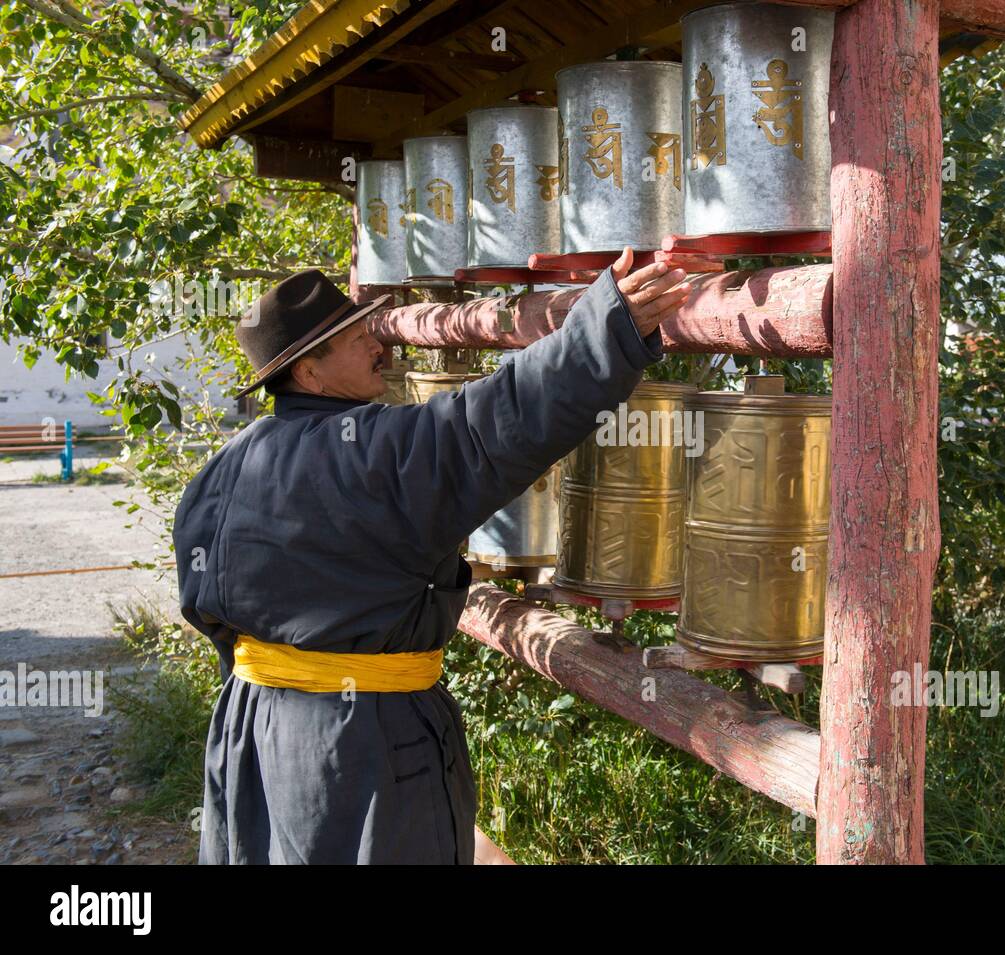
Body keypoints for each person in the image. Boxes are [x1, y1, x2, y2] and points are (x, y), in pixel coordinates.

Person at [174, 248, 690, 864]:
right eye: (356, 337)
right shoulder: (371, 453)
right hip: (362, 741)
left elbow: (203, 605)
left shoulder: (221, 470)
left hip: (253, 726)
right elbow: (497, 419)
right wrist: (611, 325)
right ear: (308, 375)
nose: (379, 345)